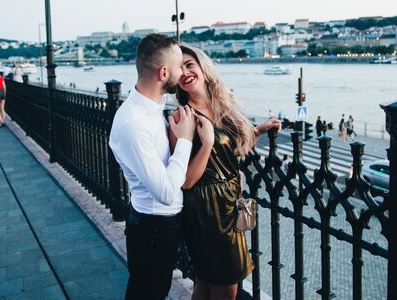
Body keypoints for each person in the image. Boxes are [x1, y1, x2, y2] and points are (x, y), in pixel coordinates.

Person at [170, 45, 281, 300]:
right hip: (206, 208)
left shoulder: (222, 103)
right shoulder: (182, 117)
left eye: (190, 64)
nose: (186, 72)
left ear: (202, 66)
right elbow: (186, 181)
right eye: (179, 68)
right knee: (226, 285)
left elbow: (231, 151)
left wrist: (258, 130)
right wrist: (207, 143)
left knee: (207, 281)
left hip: (232, 196)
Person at [108, 34, 197, 300]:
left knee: (154, 291)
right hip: (153, 227)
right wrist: (185, 139)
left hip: (159, 224)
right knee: (148, 293)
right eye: (180, 66)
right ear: (163, 72)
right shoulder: (134, 123)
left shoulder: (152, 109)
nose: (183, 72)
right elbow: (166, 191)